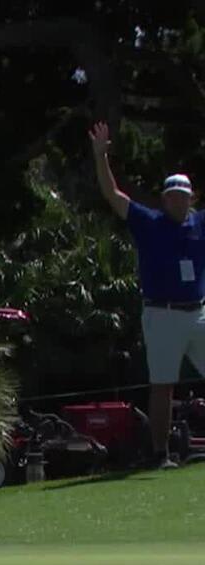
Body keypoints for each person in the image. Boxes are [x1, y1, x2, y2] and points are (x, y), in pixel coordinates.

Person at [89, 121, 205, 468]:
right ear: (164, 199)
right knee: (163, 384)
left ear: (191, 198)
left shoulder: (200, 223)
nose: (178, 201)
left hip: (198, 311)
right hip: (162, 313)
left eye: (184, 196)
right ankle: (161, 454)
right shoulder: (149, 222)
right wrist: (100, 157)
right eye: (172, 196)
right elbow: (114, 195)